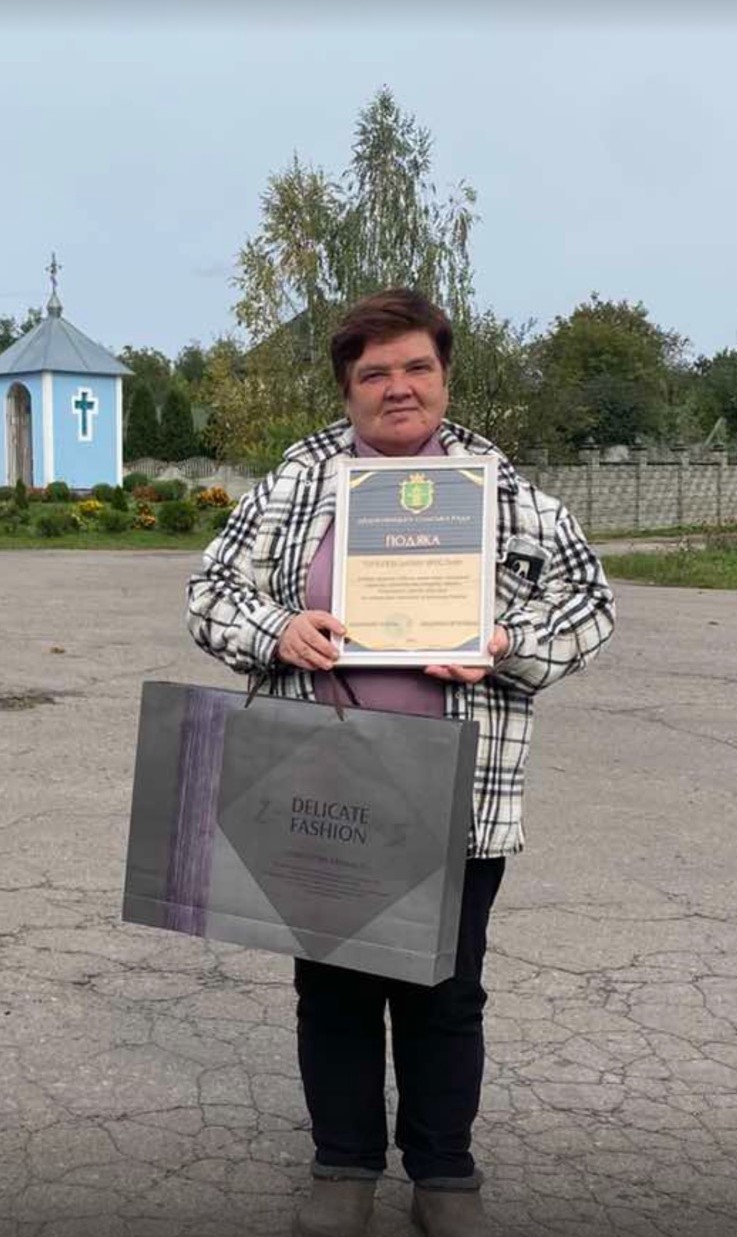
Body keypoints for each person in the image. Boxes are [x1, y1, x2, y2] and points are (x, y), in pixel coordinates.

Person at [187, 288, 615, 1237]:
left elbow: (592, 606)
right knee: (332, 989)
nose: (397, 387)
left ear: (444, 376)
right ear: (347, 389)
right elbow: (209, 591)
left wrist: (504, 642)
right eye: (373, 372)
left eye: (416, 366)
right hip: (321, 778)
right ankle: (342, 1165)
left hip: (456, 789)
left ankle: (443, 1175)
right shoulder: (296, 482)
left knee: (444, 992)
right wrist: (276, 628)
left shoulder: (503, 492)